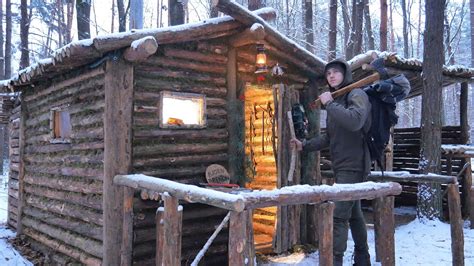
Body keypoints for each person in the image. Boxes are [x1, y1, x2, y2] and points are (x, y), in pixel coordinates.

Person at [291, 59, 372, 266]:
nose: (332, 76)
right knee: (353, 214)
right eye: (328, 74)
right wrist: (304, 145)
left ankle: (334, 261)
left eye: (336, 72)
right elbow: (330, 138)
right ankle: (363, 258)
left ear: (345, 74)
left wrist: (329, 104)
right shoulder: (337, 101)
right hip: (342, 165)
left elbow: (355, 122)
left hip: (354, 165)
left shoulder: (356, 95)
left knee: (339, 216)